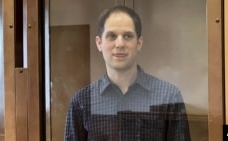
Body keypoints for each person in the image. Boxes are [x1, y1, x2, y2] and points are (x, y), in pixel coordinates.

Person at [64, 5, 191, 141]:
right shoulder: (81, 102)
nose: (120, 44)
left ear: (139, 43)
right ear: (99, 43)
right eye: (112, 36)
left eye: (128, 36)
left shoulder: (168, 96)